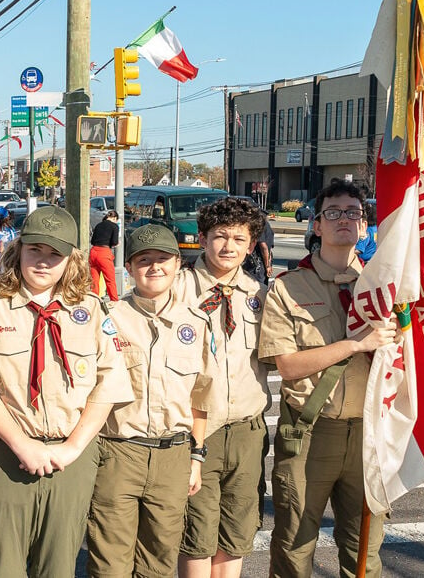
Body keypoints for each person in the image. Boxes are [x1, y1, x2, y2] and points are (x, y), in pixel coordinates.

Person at [0, 206, 132, 577]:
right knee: (3, 564)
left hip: (72, 452)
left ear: (70, 260)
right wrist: (21, 444)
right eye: (36, 250)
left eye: (55, 254)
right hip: (5, 450)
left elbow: (108, 385)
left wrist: (72, 448)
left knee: (59, 563)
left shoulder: (92, 310)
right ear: (19, 251)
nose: (44, 262)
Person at [260, 180, 395, 576]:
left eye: (354, 213)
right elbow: (287, 365)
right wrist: (354, 345)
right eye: (332, 213)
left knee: (364, 553)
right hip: (311, 432)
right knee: (294, 549)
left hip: (371, 434)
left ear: (365, 227)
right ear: (316, 226)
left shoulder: (385, 288)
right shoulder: (288, 288)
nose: (344, 220)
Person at [87, 223, 212, 578]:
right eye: (144, 260)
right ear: (129, 267)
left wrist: (197, 457)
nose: (154, 267)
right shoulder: (108, 318)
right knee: (109, 562)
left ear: (177, 264)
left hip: (173, 455)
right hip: (118, 452)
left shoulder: (197, 323)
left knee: (158, 561)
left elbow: (200, 398)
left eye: (163, 259)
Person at [174, 198, 271, 578]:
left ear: (251, 245)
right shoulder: (178, 289)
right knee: (196, 530)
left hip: (247, 428)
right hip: (196, 428)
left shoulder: (259, 295)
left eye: (238, 238)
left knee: (237, 527)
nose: (228, 246)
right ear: (202, 239)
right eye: (219, 236)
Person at [88, 210, 120, 301]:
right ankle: (114, 301)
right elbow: (114, 242)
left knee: (94, 280)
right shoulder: (114, 226)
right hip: (104, 253)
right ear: (114, 218)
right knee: (110, 280)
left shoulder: (98, 225)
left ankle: (94, 301)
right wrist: (117, 244)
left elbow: (93, 241)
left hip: (93, 252)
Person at [243, 211, 274, 285]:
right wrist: (269, 264)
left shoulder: (259, 226)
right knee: (263, 285)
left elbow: (264, 247)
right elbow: (270, 249)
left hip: (257, 263)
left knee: (256, 285)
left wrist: (267, 266)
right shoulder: (267, 225)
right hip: (264, 261)